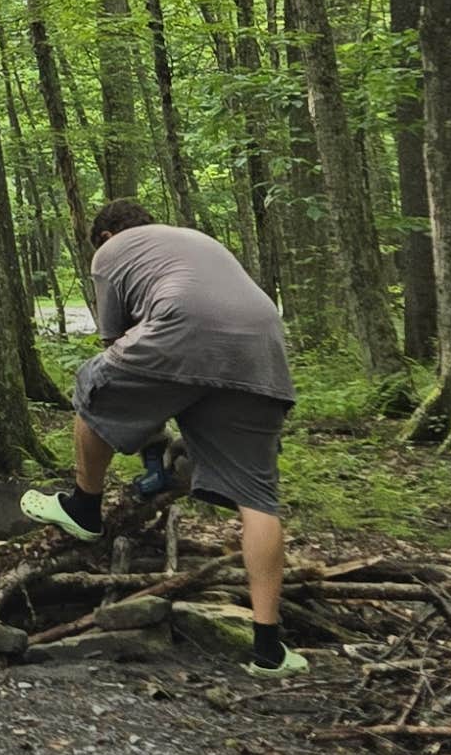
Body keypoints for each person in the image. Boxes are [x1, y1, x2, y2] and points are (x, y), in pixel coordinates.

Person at [20, 198, 308, 676]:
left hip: (184, 328)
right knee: (259, 500)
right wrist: (159, 439)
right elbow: (176, 371)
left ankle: (84, 509)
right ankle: (269, 648)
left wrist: (142, 430)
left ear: (108, 235)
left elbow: (122, 352)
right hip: (263, 348)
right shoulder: (194, 242)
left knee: (92, 382)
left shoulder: (111, 253)